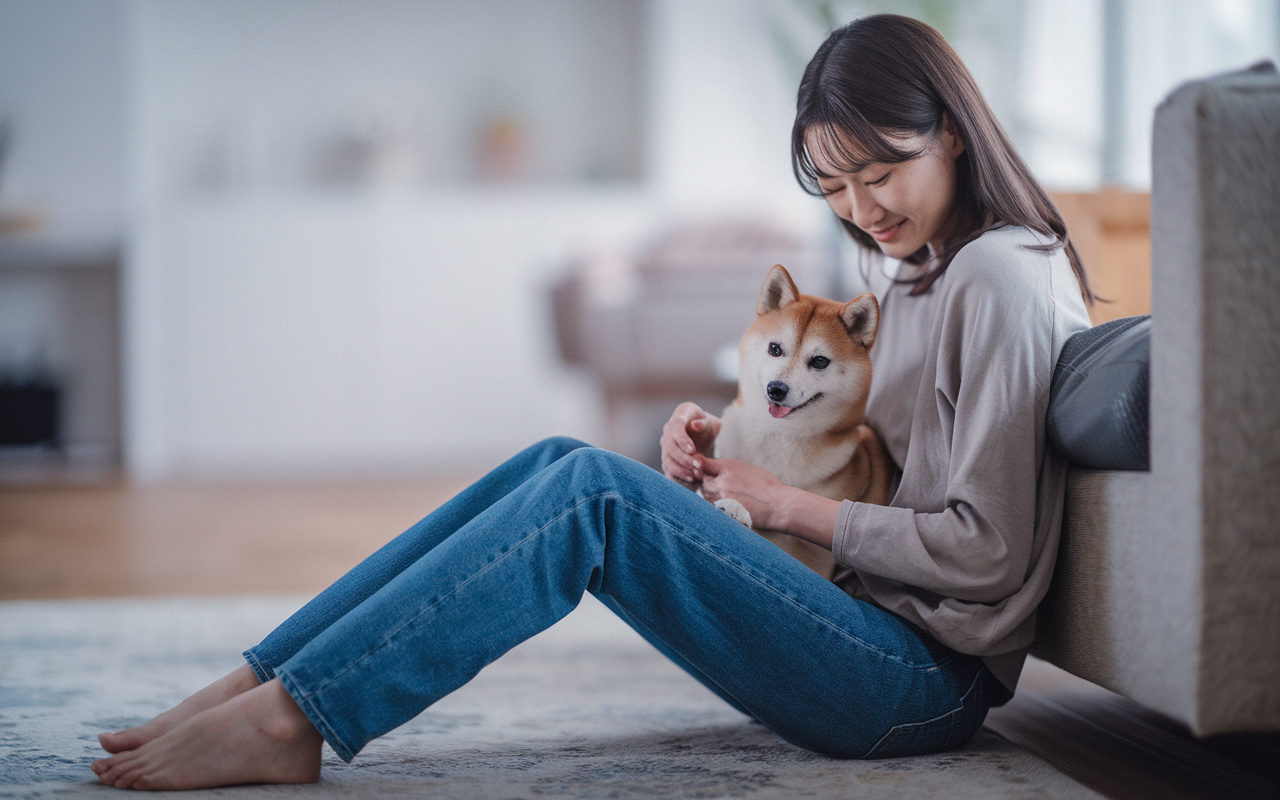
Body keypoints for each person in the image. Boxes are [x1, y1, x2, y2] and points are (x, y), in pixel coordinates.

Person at [91, 14, 1093, 790]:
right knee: (558, 463)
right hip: (856, 624)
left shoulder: (997, 278)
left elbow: (986, 548)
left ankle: (291, 719)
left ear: (953, 134)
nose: (860, 209)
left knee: (593, 501)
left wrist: (780, 504)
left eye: (881, 171)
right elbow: (882, 454)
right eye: (833, 185)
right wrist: (735, 441)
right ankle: (270, 677)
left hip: (916, 685)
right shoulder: (920, 271)